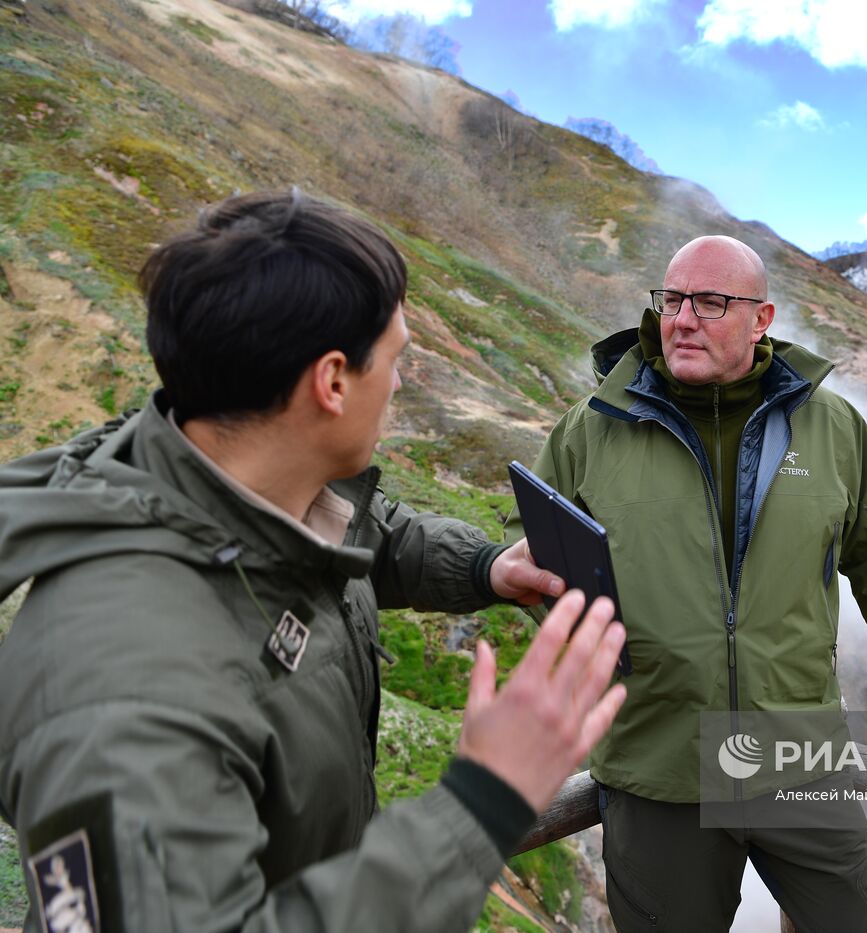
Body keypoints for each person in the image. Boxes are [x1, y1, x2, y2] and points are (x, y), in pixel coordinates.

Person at [0, 190, 628, 932]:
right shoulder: (119, 690)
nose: (398, 383)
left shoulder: (244, 477)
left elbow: (364, 536)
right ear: (332, 381)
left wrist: (487, 567)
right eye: (396, 358)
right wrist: (483, 800)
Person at [507, 235, 867, 931]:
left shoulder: (832, 426)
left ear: (762, 319)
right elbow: (548, 576)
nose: (682, 318)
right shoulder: (588, 431)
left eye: (711, 301)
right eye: (672, 299)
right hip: (659, 771)